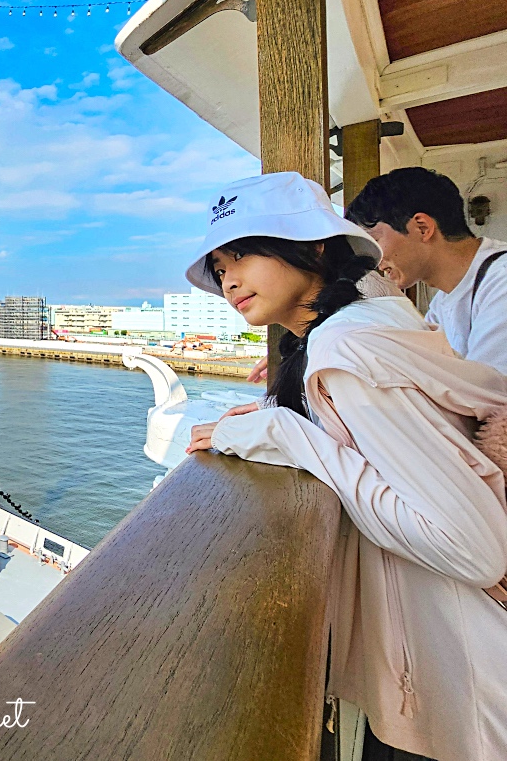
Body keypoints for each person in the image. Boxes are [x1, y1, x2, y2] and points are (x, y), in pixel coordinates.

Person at [182, 171, 507, 761]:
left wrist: (284, 431)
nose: (228, 278)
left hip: (465, 686)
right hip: (447, 671)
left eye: (245, 254)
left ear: (312, 247)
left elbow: (471, 547)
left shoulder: (346, 350)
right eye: (220, 265)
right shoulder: (360, 329)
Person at [346, 167, 507, 375]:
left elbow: (491, 396)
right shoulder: (442, 302)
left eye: (373, 241)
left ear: (422, 228)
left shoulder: (501, 281)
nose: (373, 261)